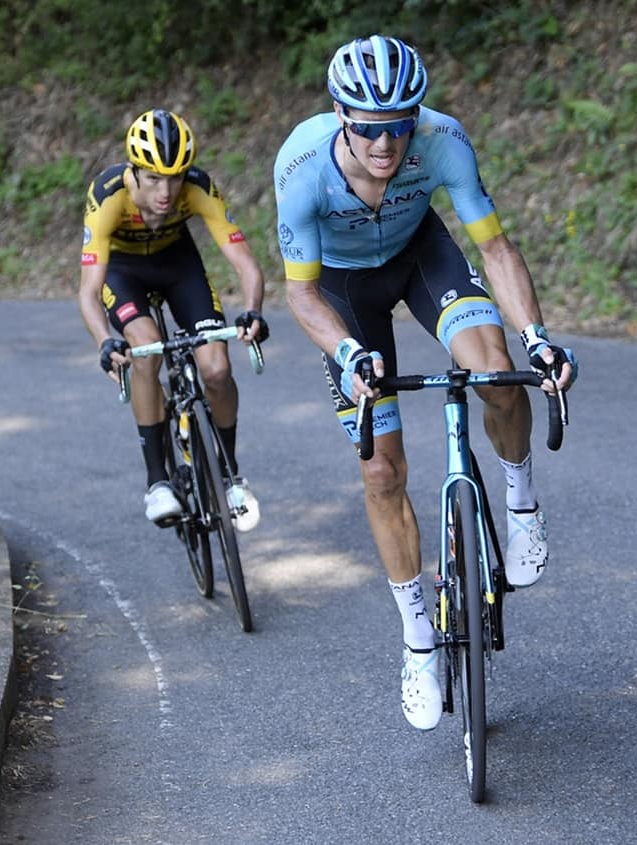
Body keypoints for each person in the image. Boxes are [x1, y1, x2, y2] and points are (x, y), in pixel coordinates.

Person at [274, 35, 576, 731]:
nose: (387, 142)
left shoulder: (441, 140)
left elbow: (494, 248)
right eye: (371, 127)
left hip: (419, 255)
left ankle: (521, 501)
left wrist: (538, 337)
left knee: (499, 373)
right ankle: (417, 639)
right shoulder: (300, 167)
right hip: (344, 295)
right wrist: (349, 354)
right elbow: (301, 295)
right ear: (342, 117)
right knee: (382, 469)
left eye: (400, 122)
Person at [79, 108, 269, 531]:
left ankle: (230, 474)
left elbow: (247, 265)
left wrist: (252, 309)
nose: (166, 191)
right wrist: (103, 342)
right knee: (146, 351)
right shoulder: (108, 195)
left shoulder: (198, 187)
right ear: (134, 172)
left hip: (178, 265)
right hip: (123, 272)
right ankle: (157, 482)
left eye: (175, 177)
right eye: (154, 179)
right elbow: (89, 292)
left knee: (216, 369)